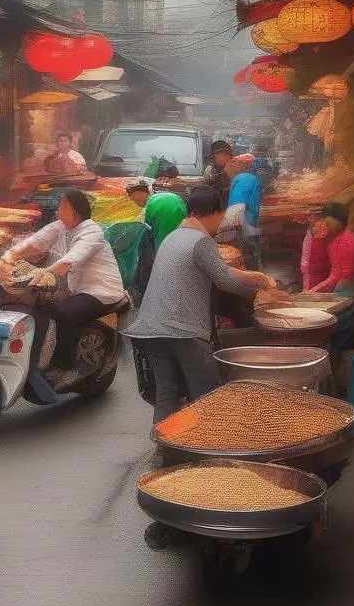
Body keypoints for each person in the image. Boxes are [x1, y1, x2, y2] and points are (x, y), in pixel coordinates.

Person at [125, 185, 283, 429]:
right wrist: (260, 293)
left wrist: (256, 278)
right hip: (182, 330)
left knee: (167, 392)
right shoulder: (201, 241)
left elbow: (221, 270)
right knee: (207, 393)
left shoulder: (173, 237)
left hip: (150, 327)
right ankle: (208, 448)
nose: (220, 224)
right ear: (215, 213)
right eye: (221, 218)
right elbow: (225, 281)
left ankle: (167, 448)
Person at [0, 189, 125, 404]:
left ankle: (65, 364)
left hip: (101, 291)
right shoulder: (62, 227)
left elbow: (71, 260)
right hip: (76, 288)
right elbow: (35, 242)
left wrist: (46, 272)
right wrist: (7, 257)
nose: (57, 210)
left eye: (62, 205)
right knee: (41, 307)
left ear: (74, 209)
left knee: (61, 312)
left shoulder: (91, 232)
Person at [215, 153, 263, 271]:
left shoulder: (242, 178)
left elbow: (237, 205)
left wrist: (227, 224)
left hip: (243, 221)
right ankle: (254, 273)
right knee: (249, 249)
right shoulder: (250, 178)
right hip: (247, 220)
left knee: (245, 252)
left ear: (243, 165)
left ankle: (251, 275)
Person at [306, 202, 354, 293]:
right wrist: (315, 290)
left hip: (353, 288)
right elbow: (335, 273)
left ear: (338, 222)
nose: (323, 224)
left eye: (326, 220)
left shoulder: (347, 239)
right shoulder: (332, 242)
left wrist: (335, 293)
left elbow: (348, 274)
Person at [300, 208, 331, 291]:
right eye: (309, 216)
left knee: (314, 291)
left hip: (316, 268)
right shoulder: (311, 230)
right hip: (311, 268)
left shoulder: (321, 229)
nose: (310, 218)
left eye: (313, 216)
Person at [203, 140, 234, 205]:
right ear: (214, 156)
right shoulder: (210, 170)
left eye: (229, 155)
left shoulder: (233, 169)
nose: (228, 158)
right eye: (224, 155)